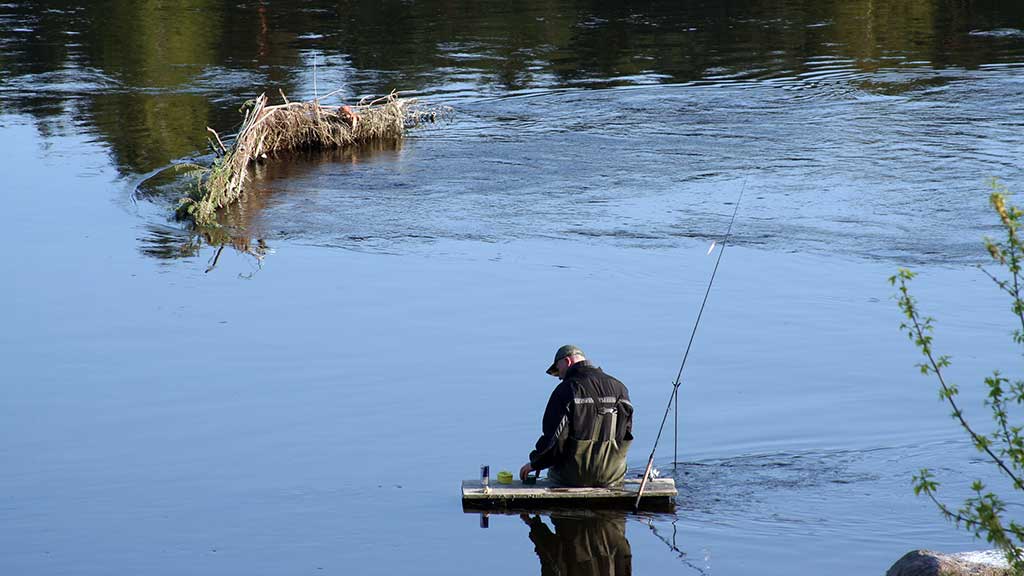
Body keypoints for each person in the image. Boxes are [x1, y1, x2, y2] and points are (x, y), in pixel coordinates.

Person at [519, 345, 633, 487]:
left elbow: (555, 441)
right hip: (612, 476)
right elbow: (625, 433)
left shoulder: (565, 391)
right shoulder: (620, 389)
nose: (560, 377)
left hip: (572, 479)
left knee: (553, 474)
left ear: (567, 361)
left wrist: (535, 463)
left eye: (558, 369)